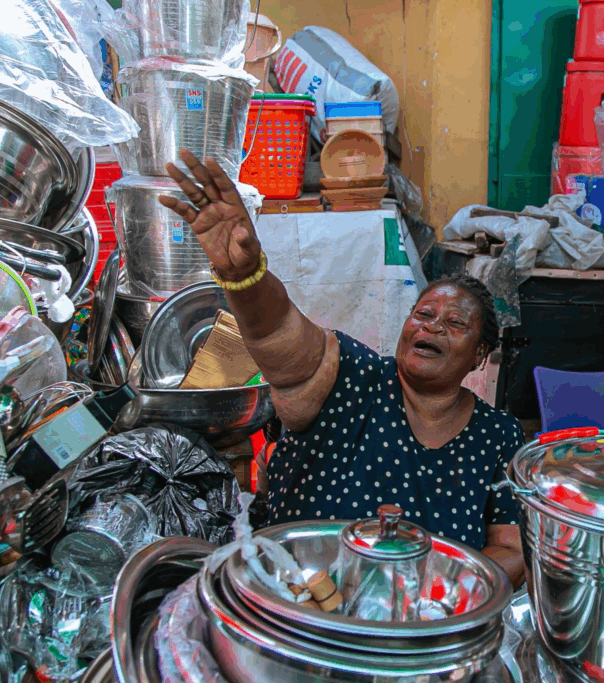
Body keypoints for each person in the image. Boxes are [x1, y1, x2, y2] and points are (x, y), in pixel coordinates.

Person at [158, 150, 526, 586]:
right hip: (302, 608)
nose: (432, 327)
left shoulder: (497, 434)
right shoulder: (352, 377)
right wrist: (247, 278)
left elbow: (510, 549)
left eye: (455, 323)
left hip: (425, 628)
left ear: (480, 354)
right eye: (423, 315)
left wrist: (435, 589)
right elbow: (282, 337)